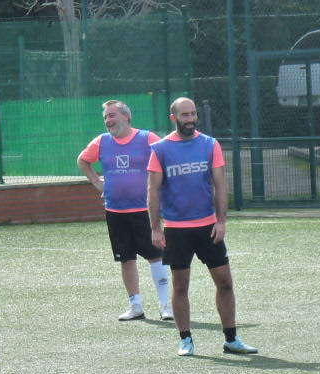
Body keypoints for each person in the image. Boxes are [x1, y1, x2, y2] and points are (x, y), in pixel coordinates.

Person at [147, 97, 258, 356]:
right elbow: (152, 191)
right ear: (173, 118)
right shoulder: (160, 149)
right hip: (176, 229)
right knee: (180, 286)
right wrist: (155, 227)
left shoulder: (209, 144)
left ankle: (231, 339)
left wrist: (221, 221)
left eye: (193, 114)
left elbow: (220, 184)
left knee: (225, 282)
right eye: (184, 115)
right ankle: (185, 339)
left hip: (208, 227)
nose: (190, 119)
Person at [77, 99, 173, 321]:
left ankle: (165, 306)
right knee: (126, 259)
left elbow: (166, 160)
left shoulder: (147, 138)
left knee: (156, 256)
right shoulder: (101, 141)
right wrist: (95, 180)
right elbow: (82, 160)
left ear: (126, 116)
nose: (108, 120)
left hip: (145, 212)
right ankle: (136, 306)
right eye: (106, 117)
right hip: (115, 212)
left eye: (112, 115)